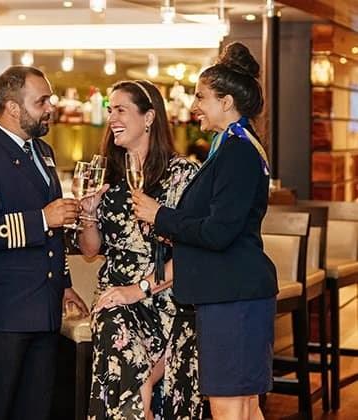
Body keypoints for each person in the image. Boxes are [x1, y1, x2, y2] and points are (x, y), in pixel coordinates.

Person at [133, 43, 277, 420]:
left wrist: (160, 215)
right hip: (234, 293)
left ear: (226, 102)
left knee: (230, 407)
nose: (194, 105)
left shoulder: (237, 151)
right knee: (244, 407)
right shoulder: (232, 146)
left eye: (201, 97)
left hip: (233, 295)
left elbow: (218, 232)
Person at [0, 65, 89, 420]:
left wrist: (64, 284)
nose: (50, 108)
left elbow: (54, 236)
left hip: (44, 308)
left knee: (36, 411)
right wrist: (41, 218)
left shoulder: (43, 151)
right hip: (4, 312)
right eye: (42, 101)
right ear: (12, 107)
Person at [78, 80, 203, 420]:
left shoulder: (183, 175)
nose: (112, 119)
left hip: (168, 294)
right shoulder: (108, 174)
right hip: (116, 292)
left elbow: (192, 253)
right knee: (111, 319)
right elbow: (91, 249)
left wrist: (140, 289)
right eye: (110, 111)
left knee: (131, 382)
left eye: (121, 110)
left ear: (149, 117)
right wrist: (88, 214)